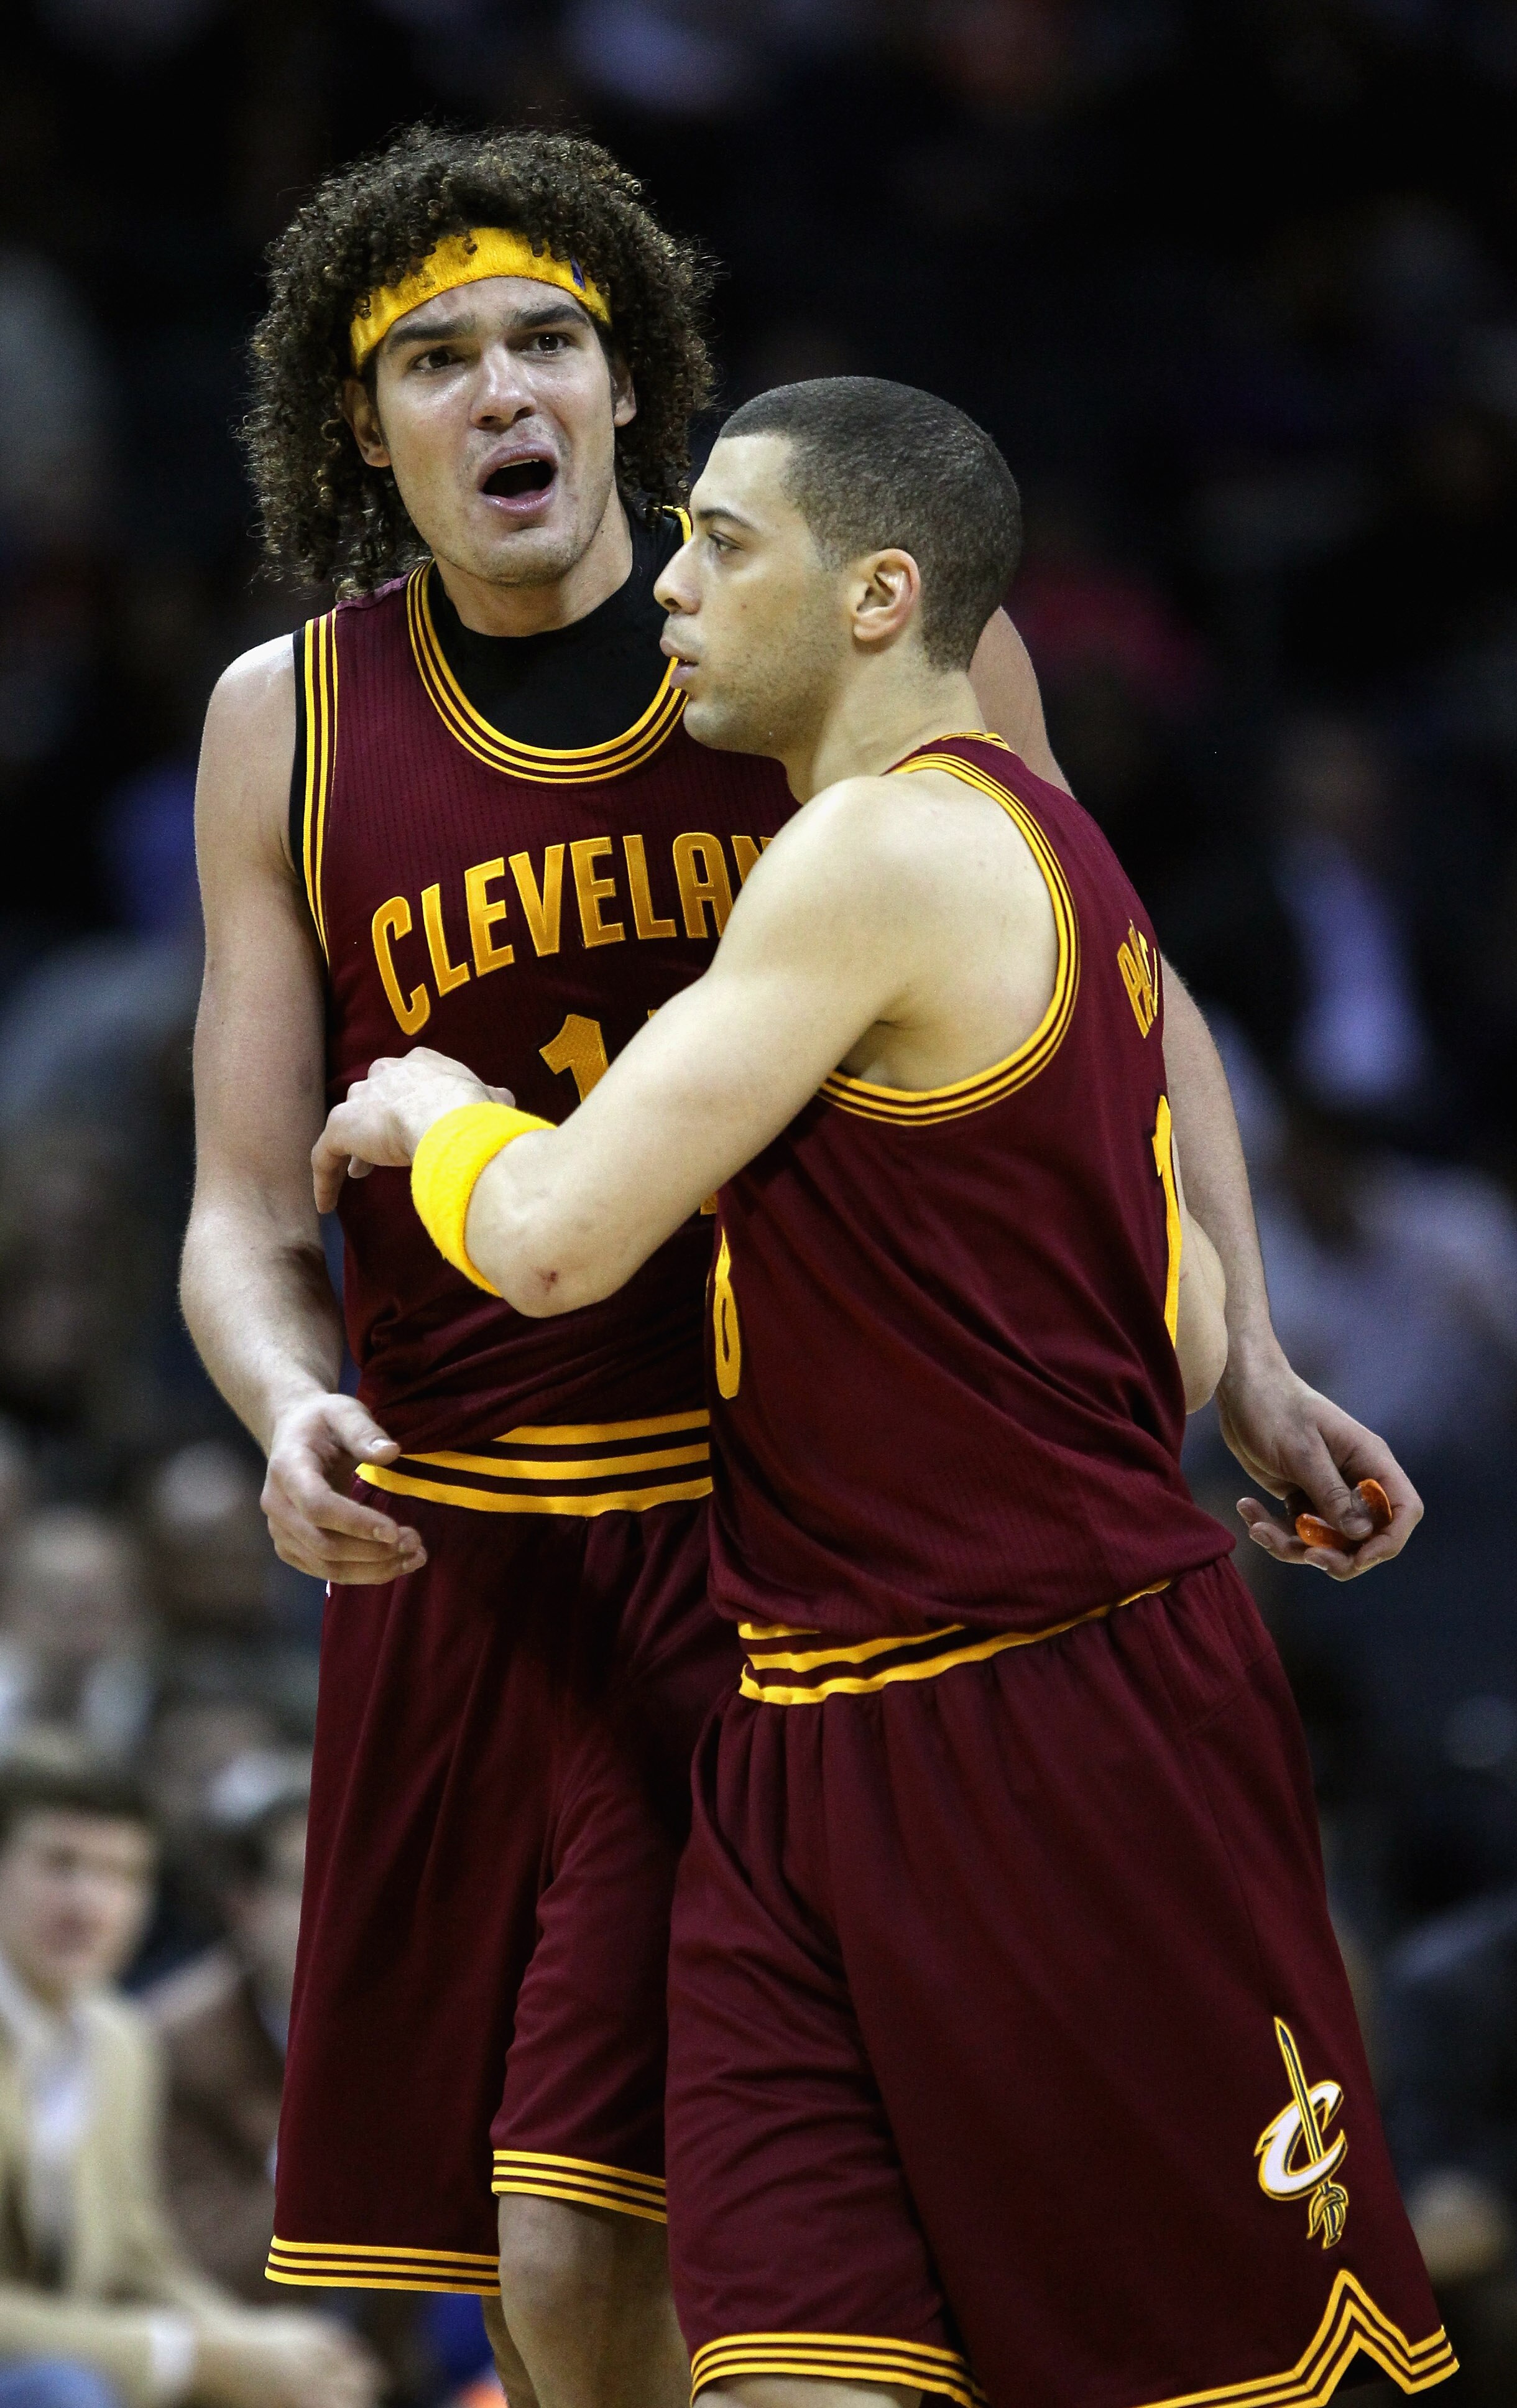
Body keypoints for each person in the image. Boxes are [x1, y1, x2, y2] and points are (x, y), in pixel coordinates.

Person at [182, 120, 1421, 2408]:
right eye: (436, 358)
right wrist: (283, 1407)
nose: (502, 393)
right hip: (513, 1557)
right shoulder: (291, 723)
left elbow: (1127, 1017)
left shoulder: (834, 629)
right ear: (366, 425)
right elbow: (241, 1213)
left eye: (548, 337)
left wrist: (1233, 1343)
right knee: (569, 2269)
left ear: (630, 384)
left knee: (1055, 2272)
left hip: (833, 1546)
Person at [0, 1746, 375, 2408]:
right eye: (61, 1865)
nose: (91, 1901)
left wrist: (261, 2344)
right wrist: (196, 2353)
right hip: (53, 2377)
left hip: (86, 2359)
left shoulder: (119, 2040)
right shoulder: (181, 2033)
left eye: (124, 1874)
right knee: (67, 2391)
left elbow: (141, 2258)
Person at [143, 1778, 307, 2301]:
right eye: (306, 1884)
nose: (341, 1913)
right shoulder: (174, 2045)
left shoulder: (425, 2037)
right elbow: (204, 2271)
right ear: (244, 1906)